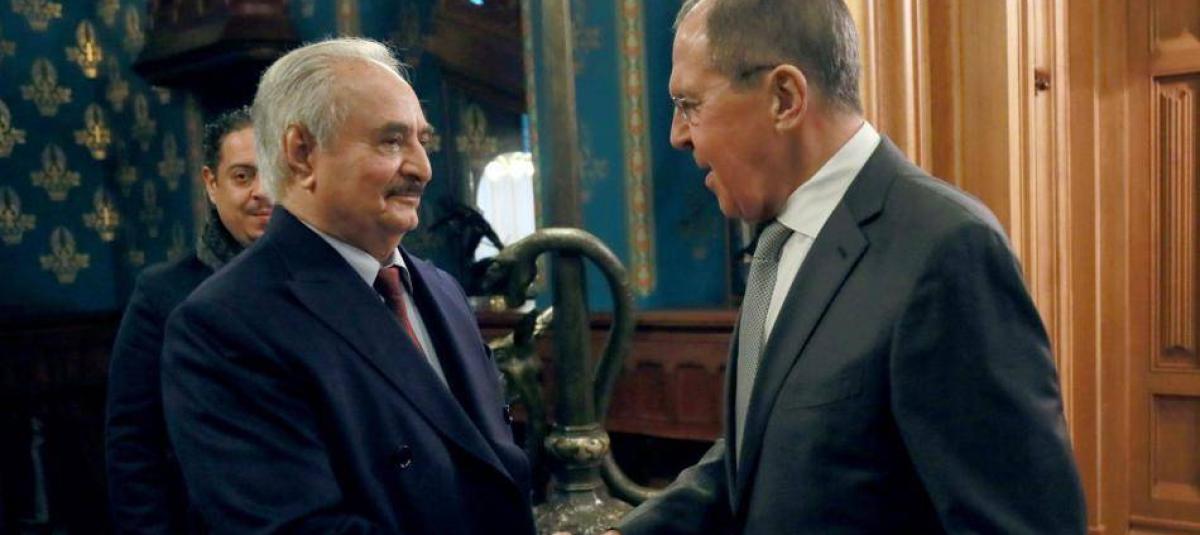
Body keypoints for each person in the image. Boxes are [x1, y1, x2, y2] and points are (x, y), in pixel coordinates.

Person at [612, 1, 1087, 533]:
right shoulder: (779, 240)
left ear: (785, 98)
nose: (678, 134)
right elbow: (758, 456)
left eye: (690, 104)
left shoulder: (948, 249)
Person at [160, 38, 536, 534]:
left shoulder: (442, 289)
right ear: (302, 153)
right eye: (391, 141)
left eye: (422, 141)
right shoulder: (224, 324)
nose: (422, 168)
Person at [106, 106, 269, 534]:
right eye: (243, 176)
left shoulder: (323, 281)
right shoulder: (163, 293)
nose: (263, 191)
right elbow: (132, 443)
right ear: (212, 184)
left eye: (275, 172)